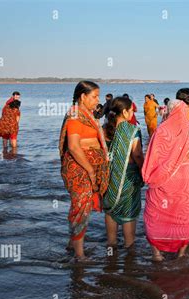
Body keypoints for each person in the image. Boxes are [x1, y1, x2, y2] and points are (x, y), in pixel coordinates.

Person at [142, 99, 189, 261]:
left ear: (169, 112)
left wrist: (148, 174)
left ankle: (156, 254)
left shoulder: (161, 130)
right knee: (182, 213)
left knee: (155, 212)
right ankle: (181, 254)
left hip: (162, 177)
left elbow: (153, 155)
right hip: (183, 175)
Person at [58, 81, 109, 260]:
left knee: (84, 206)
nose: (98, 100)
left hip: (87, 167)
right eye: (94, 96)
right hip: (79, 169)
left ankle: (73, 244)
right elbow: (73, 146)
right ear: (83, 96)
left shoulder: (87, 115)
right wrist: (90, 170)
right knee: (81, 207)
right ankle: (80, 255)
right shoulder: (75, 116)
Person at [103, 97, 144, 249]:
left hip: (109, 177)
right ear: (125, 112)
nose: (132, 113)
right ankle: (129, 255)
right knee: (128, 215)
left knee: (111, 211)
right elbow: (137, 155)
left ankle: (111, 255)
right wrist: (144, 172)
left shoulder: (104, 129)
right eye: (131, 110)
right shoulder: (132, 130)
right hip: (128, 179)